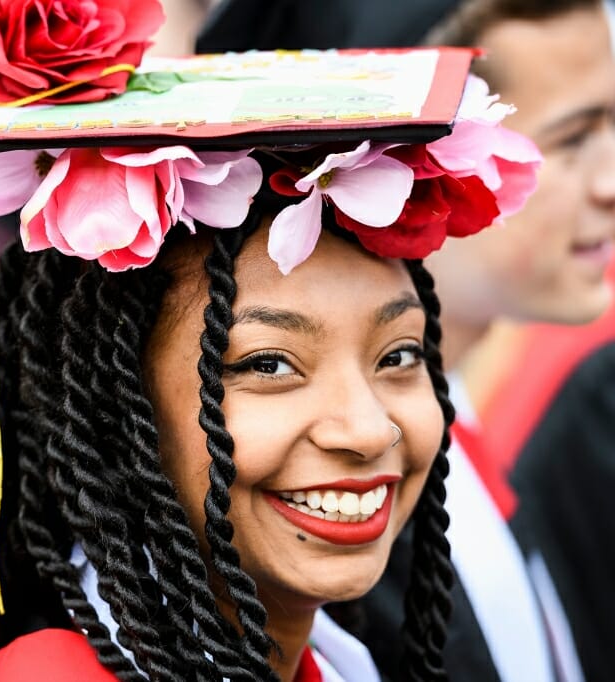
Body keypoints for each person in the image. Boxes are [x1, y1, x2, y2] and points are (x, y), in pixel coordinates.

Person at [0, 4, 541, 679]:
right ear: (112, 414)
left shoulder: (324, 655)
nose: (366, 428)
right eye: (269, 364)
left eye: (400, 356)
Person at [198, 0, 615, 680]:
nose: (611, 183)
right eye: (571, 138)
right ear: (419, 162)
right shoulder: (329, 515)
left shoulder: (457, 440)